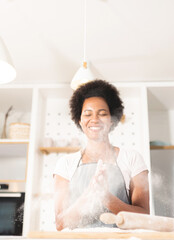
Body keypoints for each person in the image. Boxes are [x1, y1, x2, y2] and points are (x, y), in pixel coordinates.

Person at [53, 80, 150, 231]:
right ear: (80, 120)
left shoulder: (131, 158)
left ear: (112, 120)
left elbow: (144, 217)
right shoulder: (65, 164)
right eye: (87, 114)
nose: (94, 119)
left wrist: (106, 198)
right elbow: (61, 223)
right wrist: (89, 196)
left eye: (103, 114)